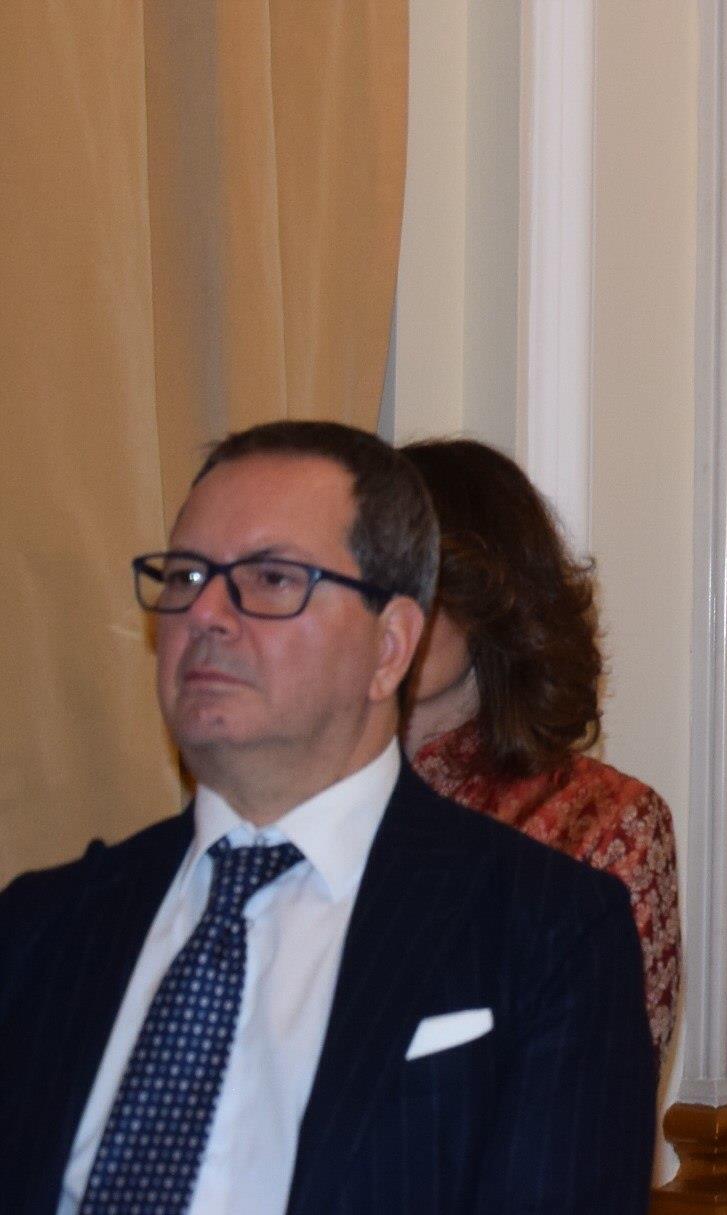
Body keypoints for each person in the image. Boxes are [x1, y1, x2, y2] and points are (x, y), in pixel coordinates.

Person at [0, 421, 655, 1214]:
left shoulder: (546, 932)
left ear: (390, 647)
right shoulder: (43, 927)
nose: (206, 613)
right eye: (186, 575)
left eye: (272, 578)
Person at [400, 437, 680, 1058]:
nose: (389, 615)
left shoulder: (607, 820)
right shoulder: (300, 795)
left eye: (418, 581)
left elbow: (601, 1084)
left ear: (494, 602)